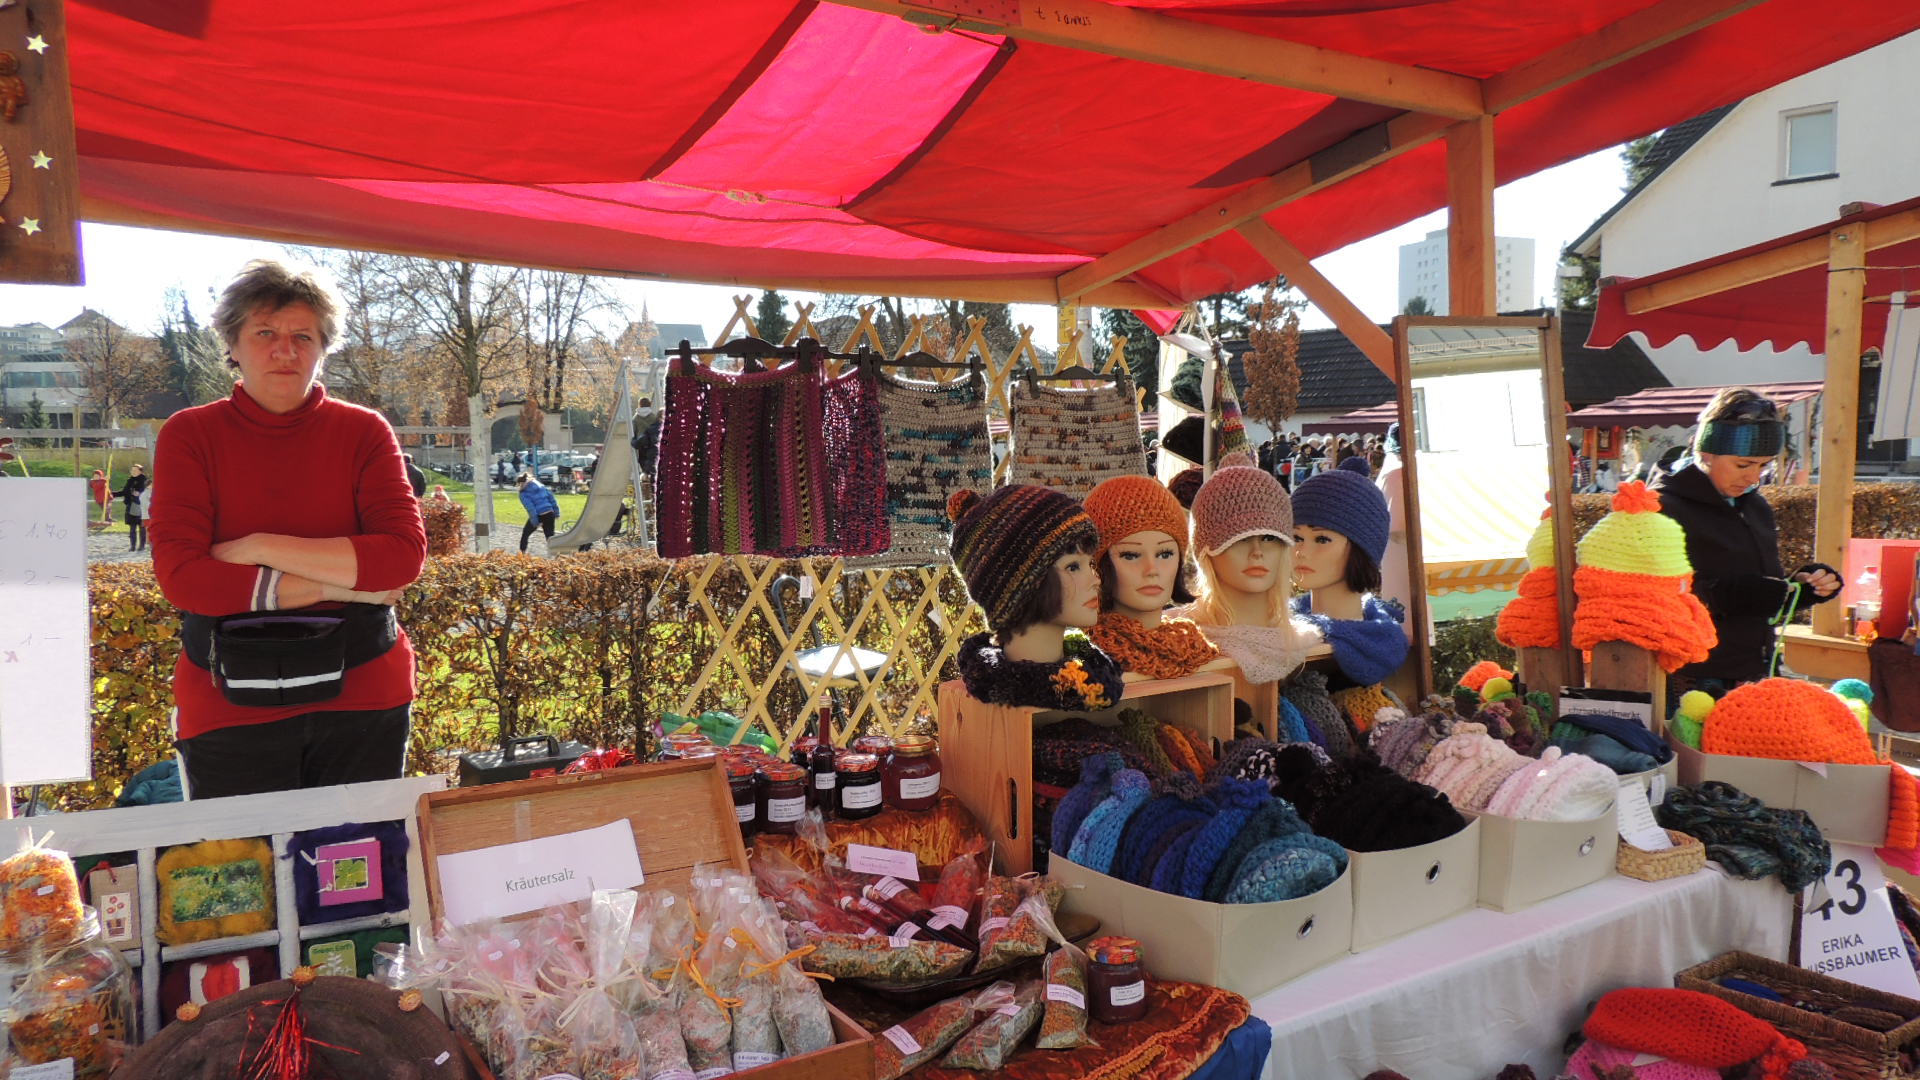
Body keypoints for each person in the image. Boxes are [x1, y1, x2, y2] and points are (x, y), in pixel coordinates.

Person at [150, 259, 426, 799]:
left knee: (359, 852)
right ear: (232, 344)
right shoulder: (190, 434)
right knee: (243, 854)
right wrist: (342, 587)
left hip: (364, 696)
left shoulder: (365, 431)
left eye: (303, 336)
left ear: (323, 347)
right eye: (265, 333)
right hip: (227, 703)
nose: (285, 350)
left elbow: (400, 558)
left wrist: (258, 547)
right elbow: (185, 580)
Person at [1650, 387, 1841, 694]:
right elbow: (1649, 598)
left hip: (1754, 669)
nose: (1754, 477)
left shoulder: (1755, 506)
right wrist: (1743, 595)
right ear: (1706, 453)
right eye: (1743, 465)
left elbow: (1759, 592)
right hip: (1692, 675)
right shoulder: (1661, 507)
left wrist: (1801, 589)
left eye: (1763, 465)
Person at [517, 472, 560, 552]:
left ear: (520, 484)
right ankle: (556, 554)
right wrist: (556, 512)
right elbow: (552, 499)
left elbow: (531, 509)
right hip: (550, 513)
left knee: (525, 533)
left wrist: (536, 522)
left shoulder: (523, 493)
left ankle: (522, 553)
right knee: (550, 536)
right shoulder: (541, 486)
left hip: (539, 515)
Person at [113, 463, 149, 551]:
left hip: (141, 506)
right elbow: (124, 492)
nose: (133, 472)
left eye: (135, 470)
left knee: (141, 527)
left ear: (140, 471)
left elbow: (148, 492)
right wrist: (111, 494)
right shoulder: (130, 480)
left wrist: (139, 494)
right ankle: (132, 546)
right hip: (130, 506)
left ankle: (142, 546)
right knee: (132, 527)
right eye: (132, 470)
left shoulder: (145, 481)